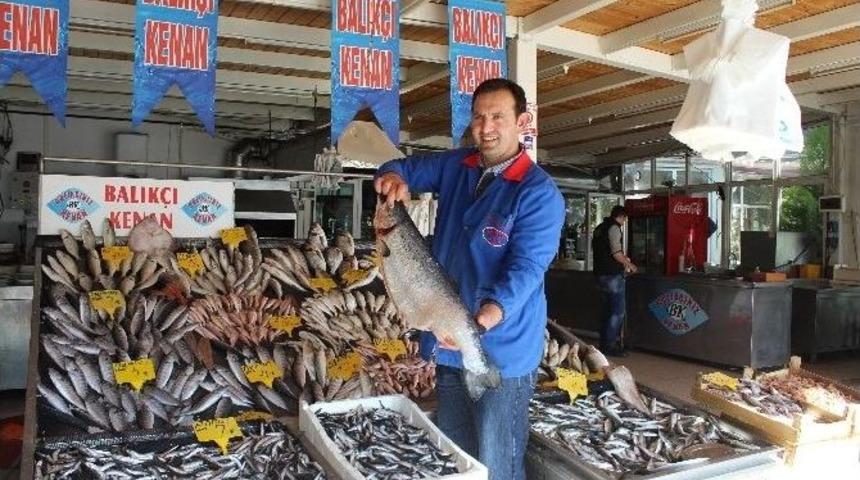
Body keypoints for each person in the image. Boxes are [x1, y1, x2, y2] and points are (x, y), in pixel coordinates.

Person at [374, 78, 564, 480]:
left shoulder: (538, 193)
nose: (486, 126)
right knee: (455, 453)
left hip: (503, 347)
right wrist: (391, 177)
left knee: (497, 459)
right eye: (479, 117)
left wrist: (483, 320)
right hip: (447, 341)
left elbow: (527, 268)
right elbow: (399, 166)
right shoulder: (458, 165)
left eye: (497, 116)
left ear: (522, 122)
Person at [592, 205, 637, 356]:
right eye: (625, 218)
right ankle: (610, 345)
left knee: (606, 310)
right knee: (617, 311)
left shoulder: (599, 228)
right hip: (612, 275)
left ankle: (604, 343)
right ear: (621, 216)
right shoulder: (614, 228)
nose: (624, 222)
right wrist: (630, 265)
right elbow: (616, 253)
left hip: (600, 275)